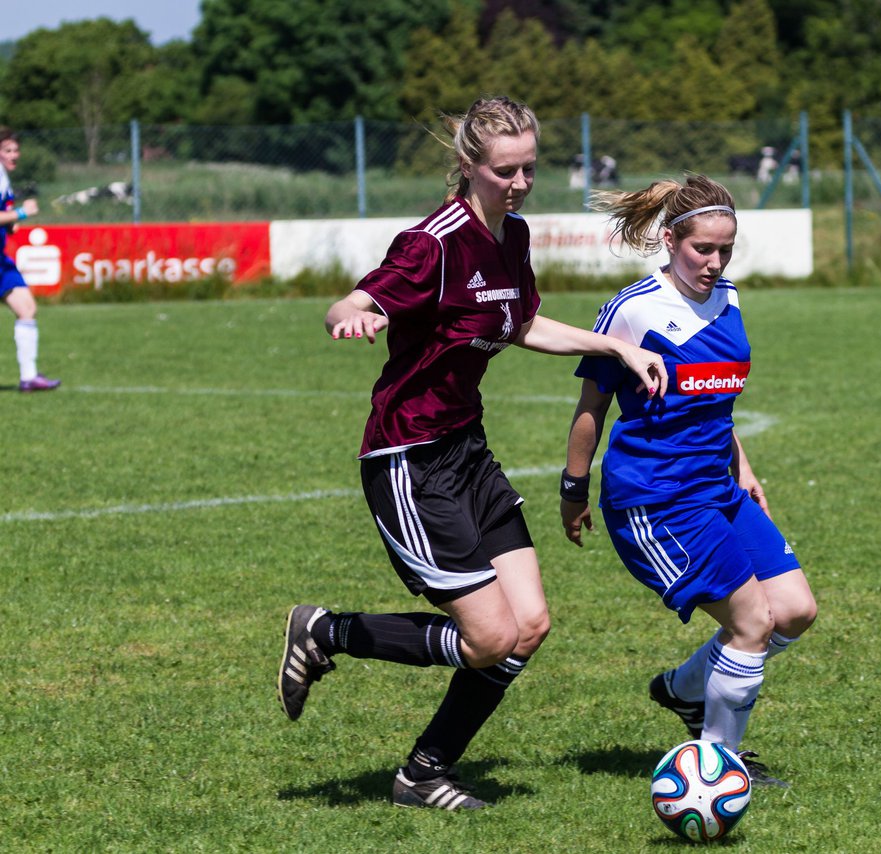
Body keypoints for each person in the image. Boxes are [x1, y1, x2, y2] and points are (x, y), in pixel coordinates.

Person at [276, 96, 668, 811]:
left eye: (528, 169)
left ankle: (423, 773)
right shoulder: (433, 242)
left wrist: (613, 344)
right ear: (468, 166)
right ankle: (323, 631)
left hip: (467, 448)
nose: (518, 184)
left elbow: (521, 324)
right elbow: (350, 302)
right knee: (488, 638)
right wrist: (353, 316)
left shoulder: (511, 237)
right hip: (410, 457)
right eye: (504, 172)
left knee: (531, 626)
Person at [560, 175, 817, 788]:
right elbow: (590, 409)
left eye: (726, 249)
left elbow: (716, 406)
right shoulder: (635, 309)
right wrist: (572, 489)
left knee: (796, 610)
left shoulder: (728, 298)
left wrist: (743, 467)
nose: (715, 262)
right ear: (671, 239)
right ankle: (716, 772)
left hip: (718, 488)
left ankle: (682, 689)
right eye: (703, 248)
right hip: (656, 498)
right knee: (752, 623)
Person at [1, 127, 59, 392]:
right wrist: (22, 213)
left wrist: (13, 221)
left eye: (16, 149)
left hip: (2, 262)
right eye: (7, 150)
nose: (14, 155)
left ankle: (29, 377)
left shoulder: (4, 179)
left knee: (27, 309)